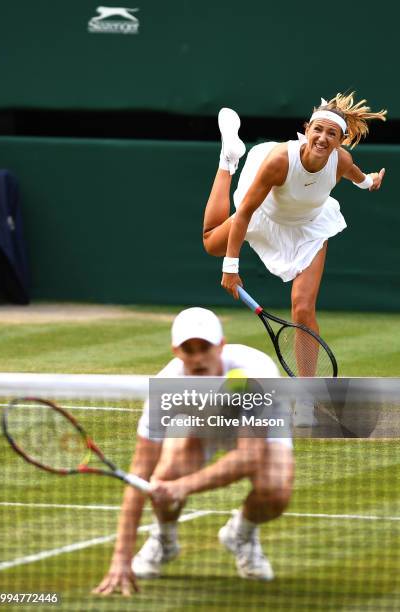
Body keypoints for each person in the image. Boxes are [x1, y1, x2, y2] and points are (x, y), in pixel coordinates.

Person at [202, 92, 387, 424]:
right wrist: (231, 266)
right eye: (318, 130)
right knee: (212, 243)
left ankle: (305, 399)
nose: (323, 138)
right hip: (262, 214)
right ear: (307, 129)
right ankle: (228, 160)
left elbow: (362, 180)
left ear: (340, 140)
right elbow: (243, 213)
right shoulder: (278, 160)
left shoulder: (341, 161)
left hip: (309, 228)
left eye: (332, 134)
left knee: (303, 308)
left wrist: (372, 181)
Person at [93, 307, 294, 597]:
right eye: (189, 349)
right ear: (176, 350)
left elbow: (250, 457)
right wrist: (120, 560)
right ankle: (164, 539)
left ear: (221, 346)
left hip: (259, 427)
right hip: (201, 423)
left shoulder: (251, 374)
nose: (198, 357)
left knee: (275, 489)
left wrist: (181, 487)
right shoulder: (166, 387)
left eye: (205, 348)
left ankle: (242, 534)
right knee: (164, 474)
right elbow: (140, 473)